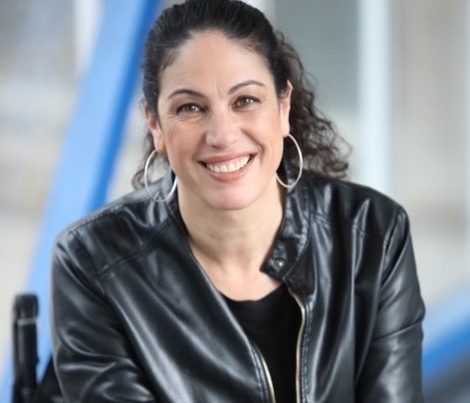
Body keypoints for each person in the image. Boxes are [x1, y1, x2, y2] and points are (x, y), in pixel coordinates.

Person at [51, 0, 425, 402]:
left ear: (283, 107)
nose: (222, 135)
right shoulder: (93, 263)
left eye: (245, 100)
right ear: (155, 124)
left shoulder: (372, 234)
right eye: (190, 107)